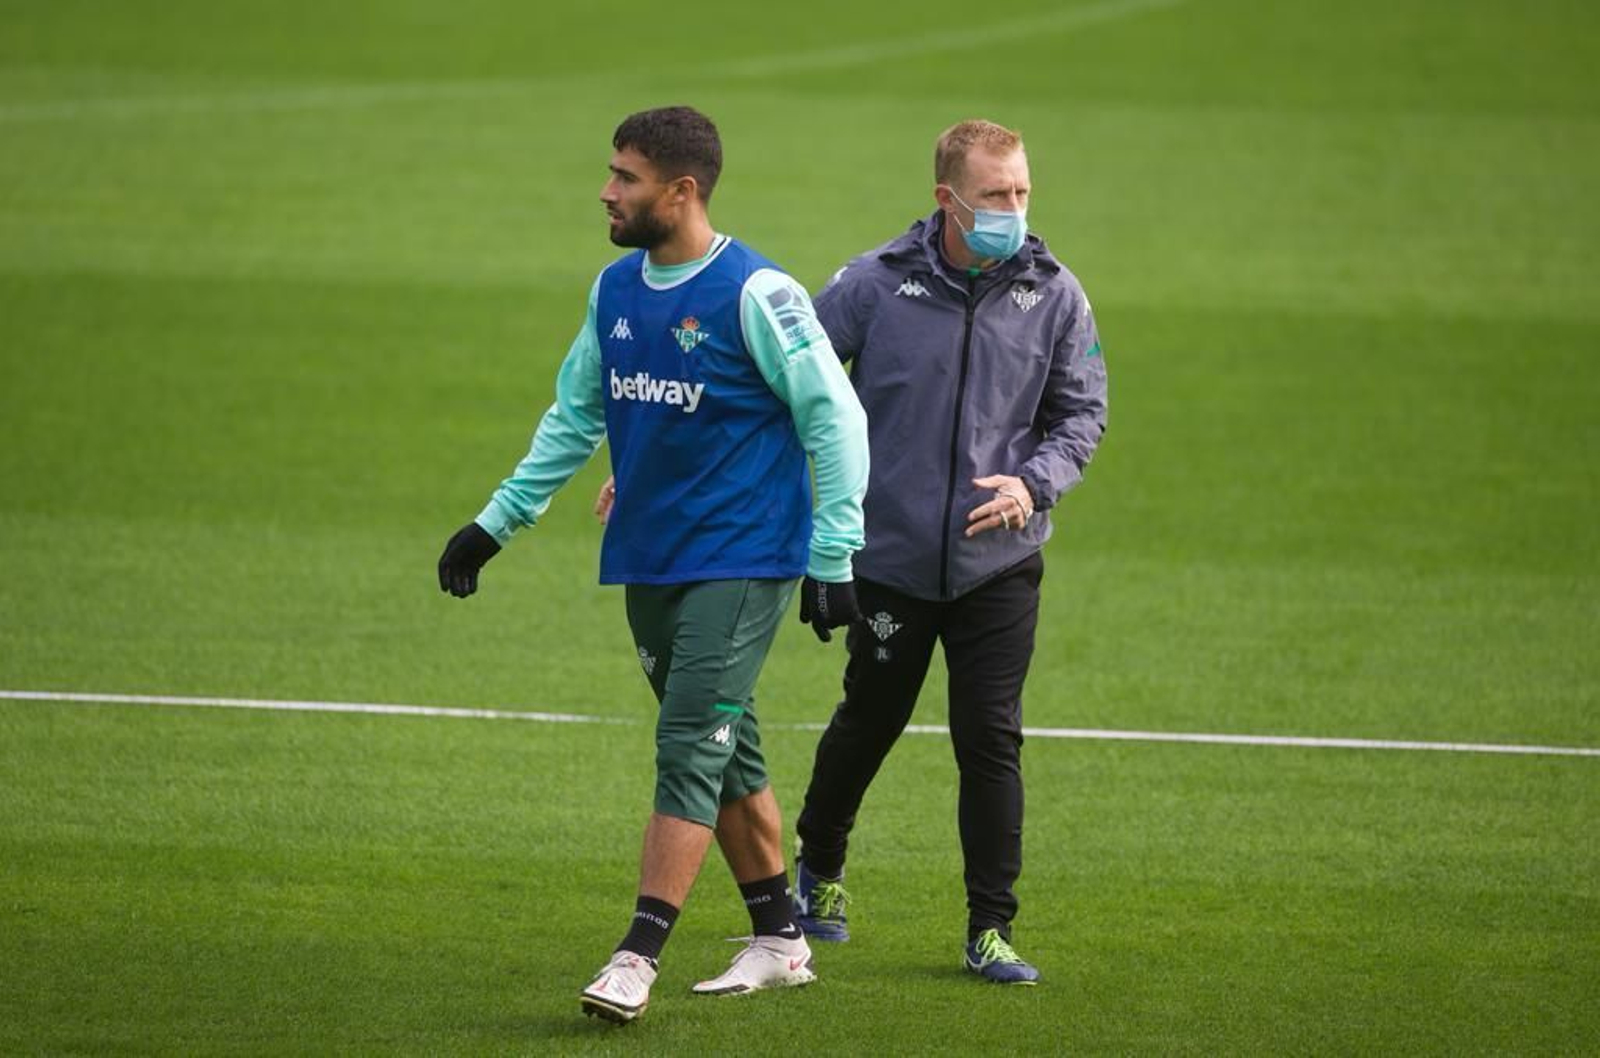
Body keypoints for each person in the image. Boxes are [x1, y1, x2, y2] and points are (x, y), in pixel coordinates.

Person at [435, 105, 869, 1024]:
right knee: (727, 747)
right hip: (647, 559)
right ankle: (781, 939)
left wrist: (833, 550)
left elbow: (835, 416)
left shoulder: (758, 293)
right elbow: (577, 414)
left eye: (624, 176)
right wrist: (497, 522)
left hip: (743, 560)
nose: (606, 190)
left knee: (687, 746)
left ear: (682, 190)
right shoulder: (614, 291)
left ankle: (637, 955)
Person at [789, 119, 1109, 985]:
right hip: (888, 559)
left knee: (990, 737)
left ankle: (989, 930)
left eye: (1023, 191)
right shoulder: (872, 286)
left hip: (998, 562)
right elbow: (789, 384)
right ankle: (818, 870)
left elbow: (1082, 413)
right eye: (996, 196)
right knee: (872, 717)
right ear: (946, 200)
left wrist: (1031, 485)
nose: (1015, 210)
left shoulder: (1055, 294)